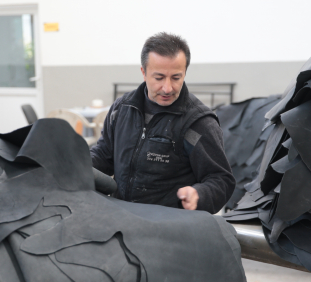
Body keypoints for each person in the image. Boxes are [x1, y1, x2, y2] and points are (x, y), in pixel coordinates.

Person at [91, 32, 235, 213]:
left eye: (176, 78)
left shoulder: (198, 123)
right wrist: (77, 166)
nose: (167, 88)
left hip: (168, 225)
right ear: (144, 73)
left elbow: (221, 180)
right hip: (122, 218)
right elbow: (104, 155)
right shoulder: (121, 109)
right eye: (159, 78)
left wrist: (200, 195)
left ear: (185, 73)